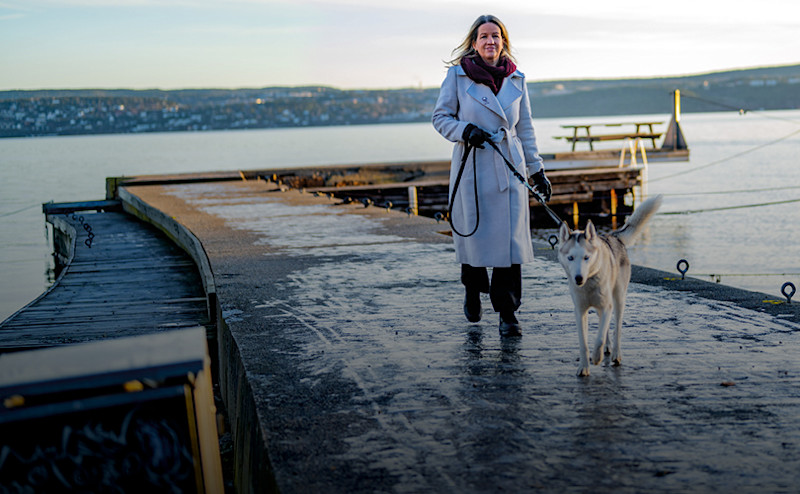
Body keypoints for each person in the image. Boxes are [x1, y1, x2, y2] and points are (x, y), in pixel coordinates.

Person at [432, 14, 551, 337]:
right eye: (484, 36)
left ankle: (508, 312)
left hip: (509, 167)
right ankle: (472, 289)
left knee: (509, 243)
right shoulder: (457, 76)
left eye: (496, 35)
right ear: (474, 43)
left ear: (503, 41)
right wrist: (464, 130)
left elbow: (525, 128)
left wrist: (537, 170)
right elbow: (440, 118)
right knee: (474, 236)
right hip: (473, 164)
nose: (490, 41)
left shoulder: (517, 79)